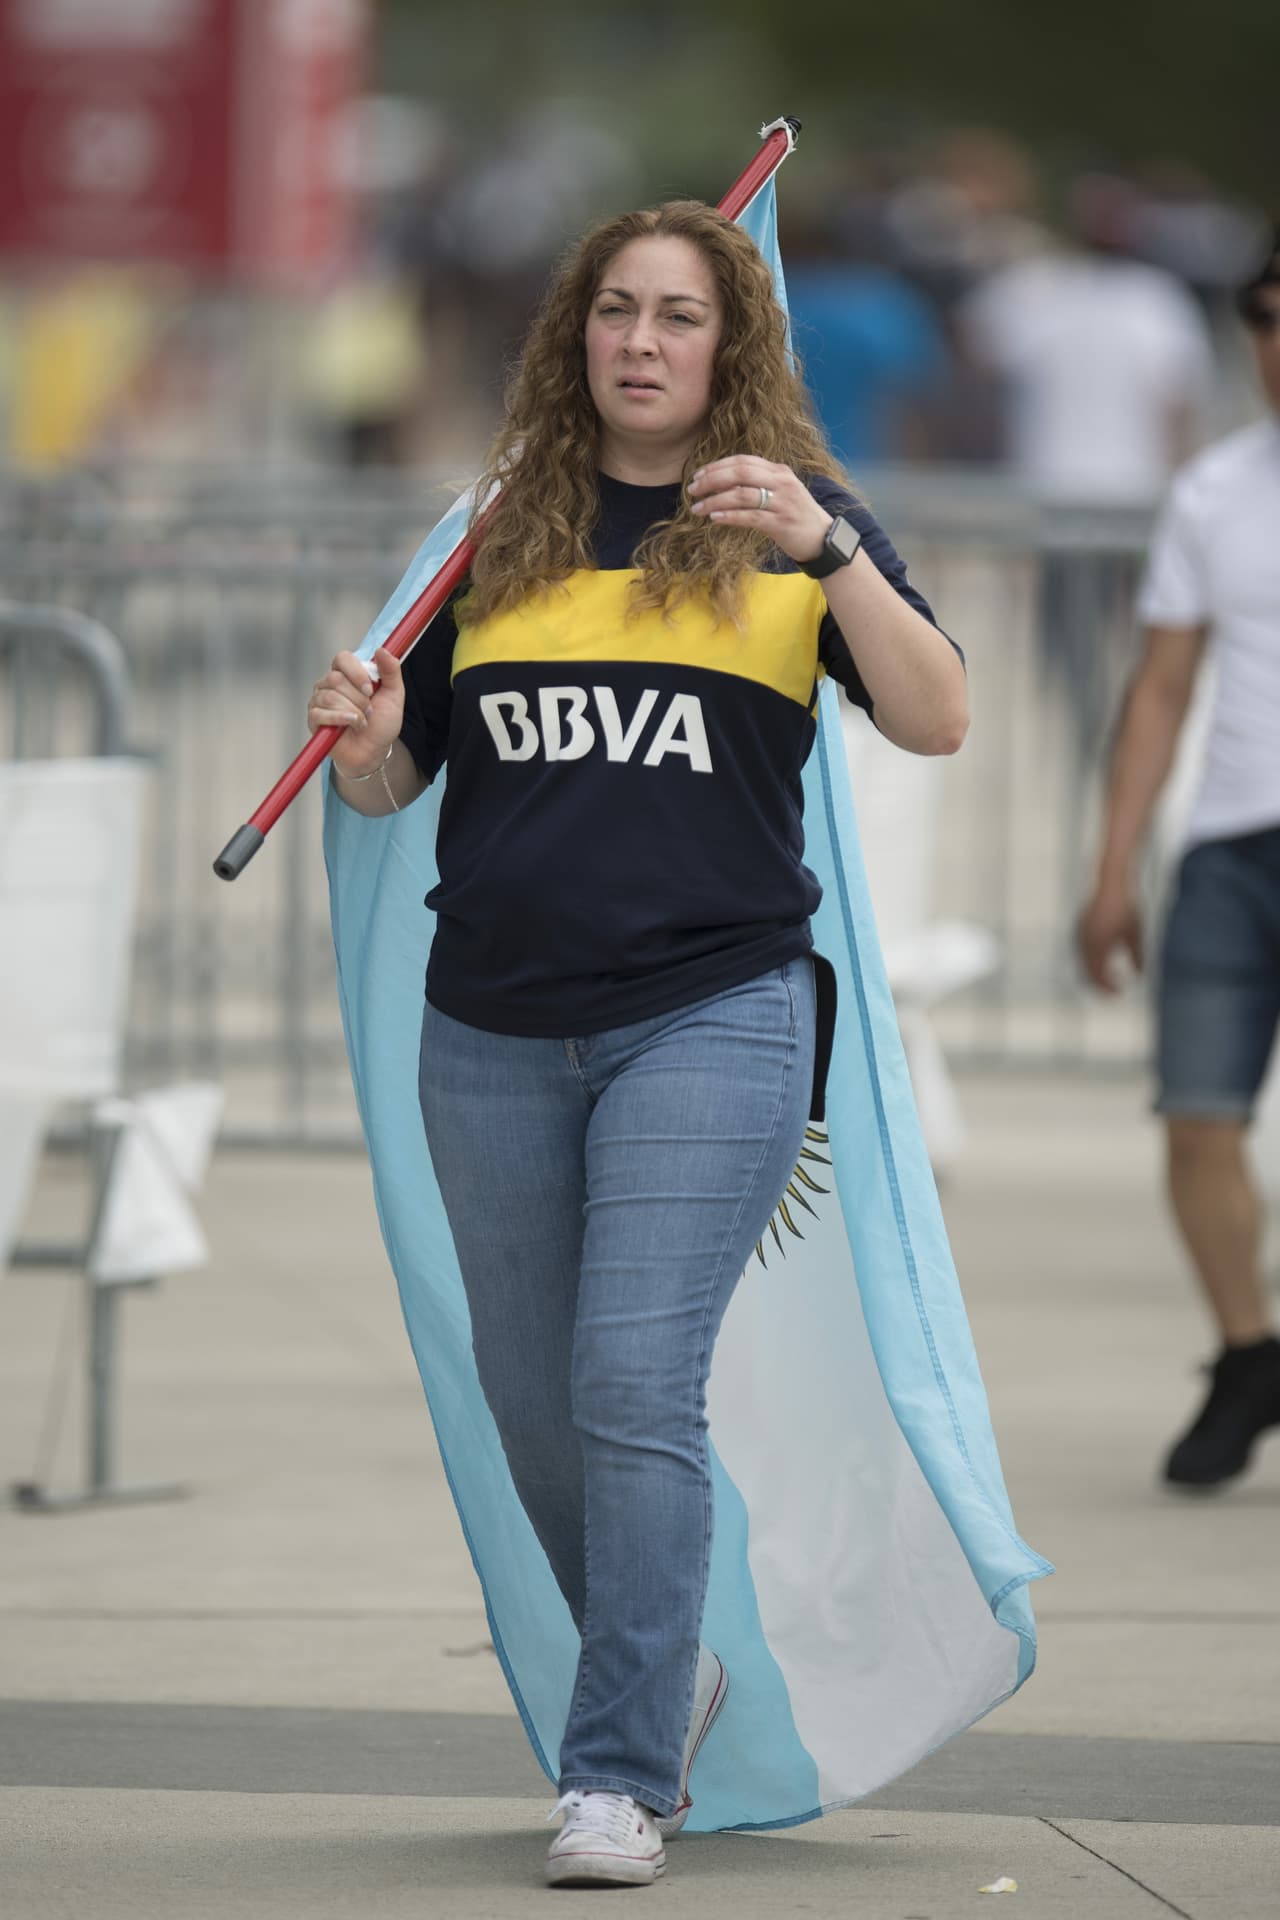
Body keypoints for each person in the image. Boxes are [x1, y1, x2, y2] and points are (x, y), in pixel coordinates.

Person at [307, 199, 968, 1890]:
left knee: (626, 1379)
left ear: (729, 345)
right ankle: (673, 1666)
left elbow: (939, 711)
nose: (644, 342)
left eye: (681, 315)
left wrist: (828, 552)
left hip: (716, 1009)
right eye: (616, 310)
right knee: (537, 1407)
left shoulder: (786, 528)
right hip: (494, 1028)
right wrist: (376, 741)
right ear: (575, 335)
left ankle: (618, 1778)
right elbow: (402, 782)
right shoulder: (499, 528)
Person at [1078, 228, 1280, 1490]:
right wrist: (1110, 869)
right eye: (1260, 316)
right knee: (1194, 1123)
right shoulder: (1213, 489)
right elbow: (1158, 690)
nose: (1274, 342)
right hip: (1228, 848)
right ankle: (1245, 1352)